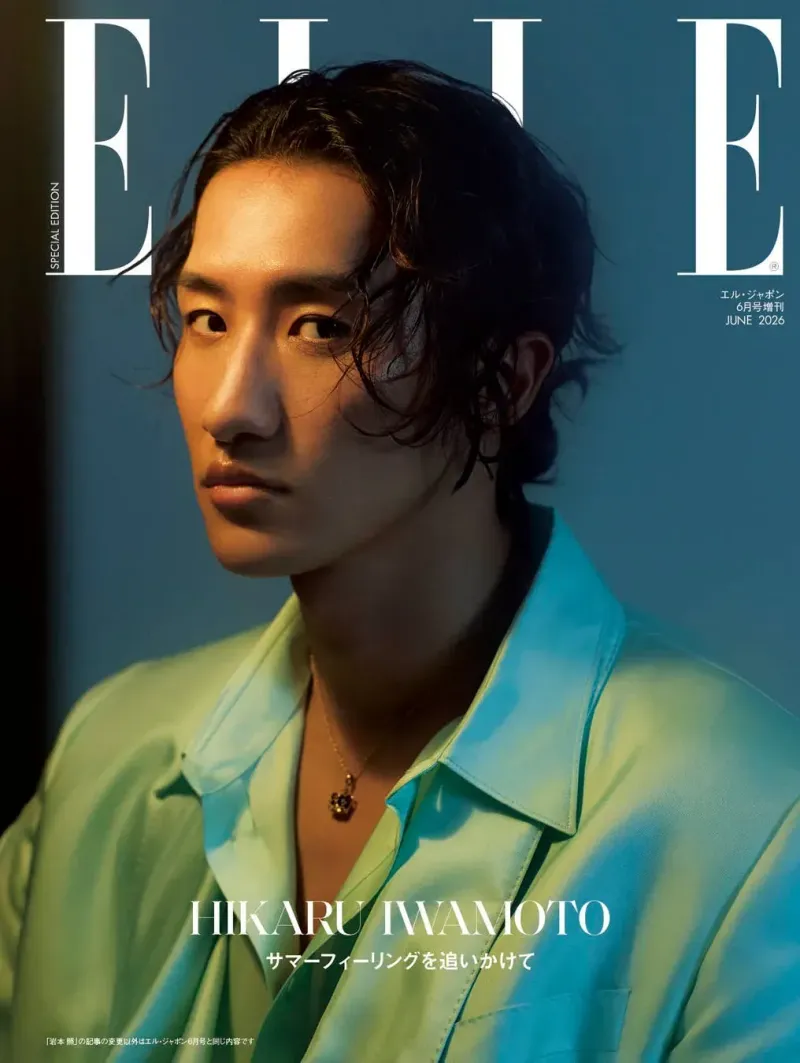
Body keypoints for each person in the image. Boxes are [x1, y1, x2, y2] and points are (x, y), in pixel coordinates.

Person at [2, 58, 799, 1063]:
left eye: (320, 327)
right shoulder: (110, 756)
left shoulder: (744, 818)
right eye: (207, 319)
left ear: (502, 379)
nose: (229, 408)